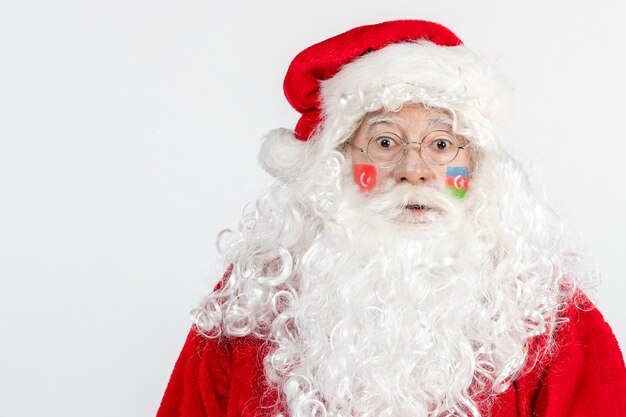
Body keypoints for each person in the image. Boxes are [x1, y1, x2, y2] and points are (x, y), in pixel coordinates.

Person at [157, 20, 626, 417]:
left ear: (477, 164)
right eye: (385, 143)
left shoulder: (545, 310)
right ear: (336, 162)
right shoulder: (256, 301)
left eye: (442, 144)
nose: (414, 170)